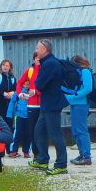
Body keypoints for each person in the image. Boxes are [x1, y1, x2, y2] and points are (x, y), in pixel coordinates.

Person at [30, 40, 67, 174]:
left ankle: (61, 164)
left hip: (52, 104)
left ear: (45, 49)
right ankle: (42, 159)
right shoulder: (48, 62)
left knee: (55, 134)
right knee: (39, 131)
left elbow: (39, 84)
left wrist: (39, 70)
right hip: (47, 104)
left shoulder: (50, 64)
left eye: (38, 47)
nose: (36, 50)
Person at [64, 55, 94, 166]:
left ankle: (86, 156)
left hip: (81, 104)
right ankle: (82, 154)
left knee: (81, 130)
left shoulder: (85, 71)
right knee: (76, 131)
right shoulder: (80, 72)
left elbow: (88, 88)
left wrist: (72, 97)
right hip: (75, 104)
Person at [15, 55, 41, 160]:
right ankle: (36, 154)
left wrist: (36, 92)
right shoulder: (30, 71)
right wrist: (19, 93)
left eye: (40, 58)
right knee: (33, 130)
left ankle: (42, 153)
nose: (38, 59)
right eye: (36, 58)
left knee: (42, 130)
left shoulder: (46, 69)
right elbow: (20, 82)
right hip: (32, 105)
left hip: (44, 105)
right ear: (34, 59)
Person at [5, 85, 29, 158]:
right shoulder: (18, 92)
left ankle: (26, 151)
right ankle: (13, 151)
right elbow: (12, 102)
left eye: (29, 83)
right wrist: (9, 114)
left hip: (29, 116)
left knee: (28, 134)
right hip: (18, 115)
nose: (27, 85)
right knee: (16, 133)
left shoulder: (31, 93)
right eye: (25, 83)